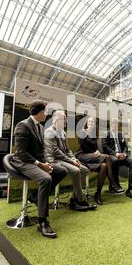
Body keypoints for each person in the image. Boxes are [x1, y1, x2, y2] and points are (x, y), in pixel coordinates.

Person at [11, 100, 67, 238]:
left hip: (35, 161)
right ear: (40, 112)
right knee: (46, 178)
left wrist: (46, 162)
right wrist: (40, 164)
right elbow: (22, 152)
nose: (46, 114)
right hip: (23, 162)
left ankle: (36, 197)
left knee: (61, 171)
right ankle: (42, 222)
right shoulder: (22, 125)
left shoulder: (40, 127)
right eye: (45, 111)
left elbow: (40, 151)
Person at [44, 110, 97, 211]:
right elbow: (55, 152)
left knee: (84, 170)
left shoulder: (63, 132)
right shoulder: (49, 132)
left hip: (63, 160)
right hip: (54, 161)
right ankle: (81, 201)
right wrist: (71, 161)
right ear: (56, 120)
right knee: (76, 170)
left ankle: (74, 200)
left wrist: (74, 159)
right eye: (64, 119)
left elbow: (67, 150)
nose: (65, 122)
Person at [75, 117, 120, 205]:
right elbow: (83, 146)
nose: (91, 123)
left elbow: (94, 148)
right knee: (108, 157)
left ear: (95, 124)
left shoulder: (94, 134)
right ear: (86, 123)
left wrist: (97, 151)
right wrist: (94, 152)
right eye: (90, 121)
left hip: (92, 158)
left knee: (104, 166)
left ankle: (98, 194)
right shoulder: (82, 132)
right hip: (82, 156)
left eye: (93, 122)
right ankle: (112, 183)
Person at [102, 118, 132, 200]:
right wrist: (116, 154)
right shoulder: (106, 134)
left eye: (116, 124)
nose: (115, 125)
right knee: (115, 161)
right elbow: (105, 147)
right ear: (110, 124)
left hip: (122, 155)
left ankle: (130, 189)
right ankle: (115, 185)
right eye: (113, 123)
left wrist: (124, 154)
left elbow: (125, 146)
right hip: (111, 156)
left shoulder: (120, 134)